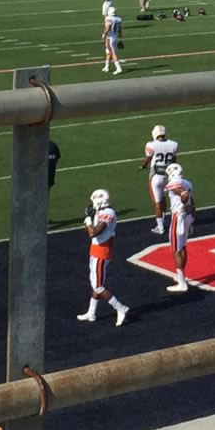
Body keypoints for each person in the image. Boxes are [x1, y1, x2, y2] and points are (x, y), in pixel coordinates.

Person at [77, 188, 130, 325]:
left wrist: (89, 219)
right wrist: (88, 219)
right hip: (95, 250)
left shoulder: (108, 213)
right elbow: (87, 230)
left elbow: (92, 233)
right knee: (95, 283)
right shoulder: (100, 212)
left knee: (98, 286)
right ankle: (91, 312)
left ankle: (120, 307)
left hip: (102, 251)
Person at [162, 162, 196, 293]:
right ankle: (181, 276)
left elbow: (184, 195)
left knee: (176, 248)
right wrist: (192, 219)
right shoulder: (188, 182)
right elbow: (192, 203)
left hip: (179, 216)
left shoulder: (174, 183)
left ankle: (182, 283)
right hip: (187, 216)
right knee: (182, 247)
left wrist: (182, 201)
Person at [142, 124, 180, 233]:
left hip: (156, 175)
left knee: (157, 202)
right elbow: (174, 160)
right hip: (168, 175)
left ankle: (160, 227)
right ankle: (167, 222)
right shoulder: (173, 144)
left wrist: (142, 166)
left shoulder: (151, 145)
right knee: (164, 200)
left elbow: (148, 158)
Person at [102, 1, 124, 75]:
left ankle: (118, 68)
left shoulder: (108, 18)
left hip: (110, 37)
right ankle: (106, 66)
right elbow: (120, 30)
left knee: (112, 53)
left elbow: (108, 27)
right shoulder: (119, 19)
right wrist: (120, 39)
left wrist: (104, 34)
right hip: (115, 36)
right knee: (108, 51)